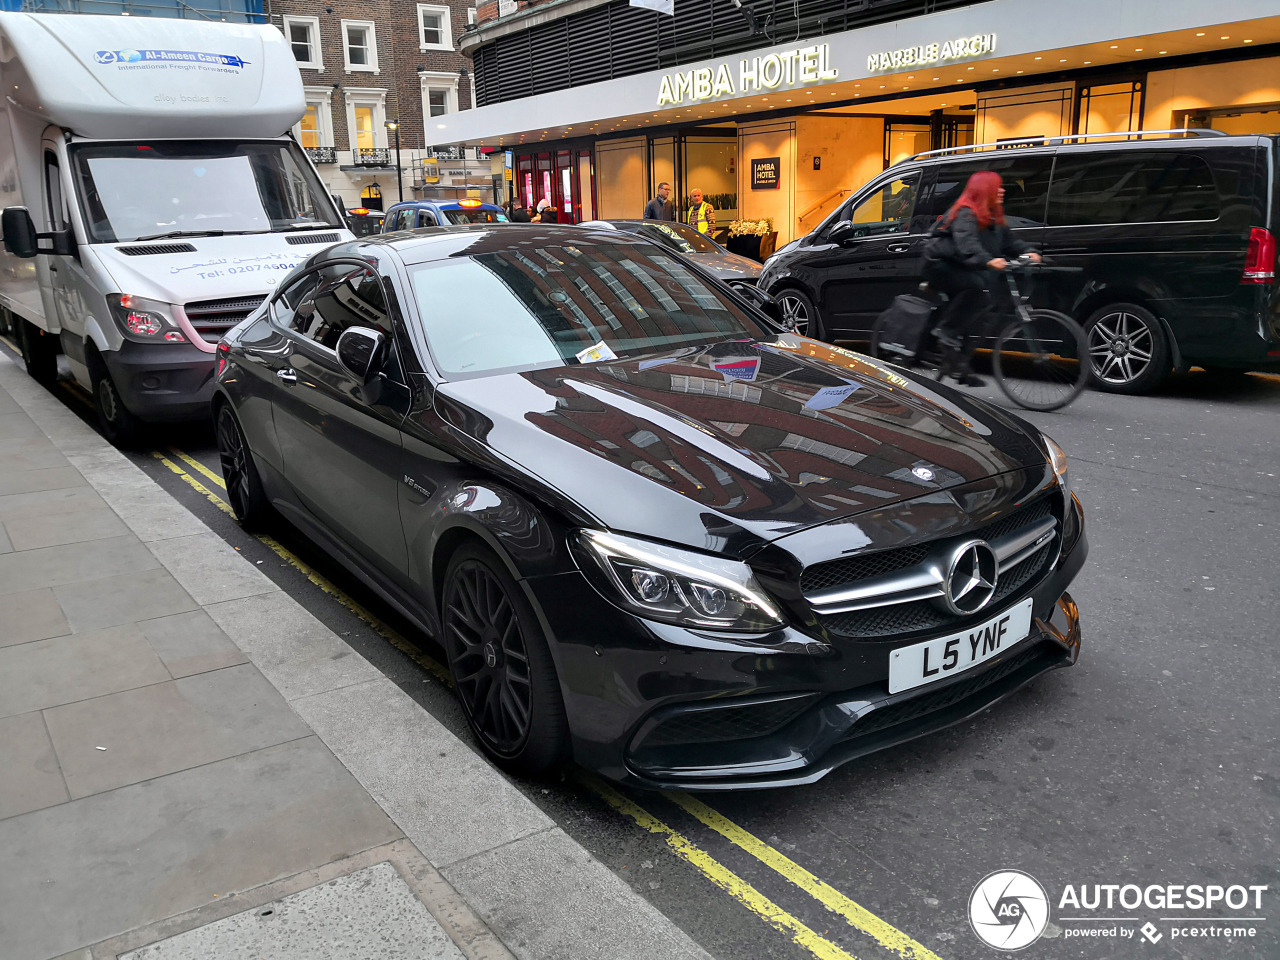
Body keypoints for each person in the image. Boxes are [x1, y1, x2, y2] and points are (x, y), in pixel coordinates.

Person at [923, 170, 1041, 386]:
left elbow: (1010, 241)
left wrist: (1029, 251)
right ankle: (945, 332)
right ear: (985, 190)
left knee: (985, 310)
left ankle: (961, 365)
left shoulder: (993, 215)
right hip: (940, 264)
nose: (1003, 190)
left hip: (964, 265)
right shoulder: (965, 213)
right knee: (976, 287)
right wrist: (988, 260)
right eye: (998, 187)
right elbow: (967, 244)